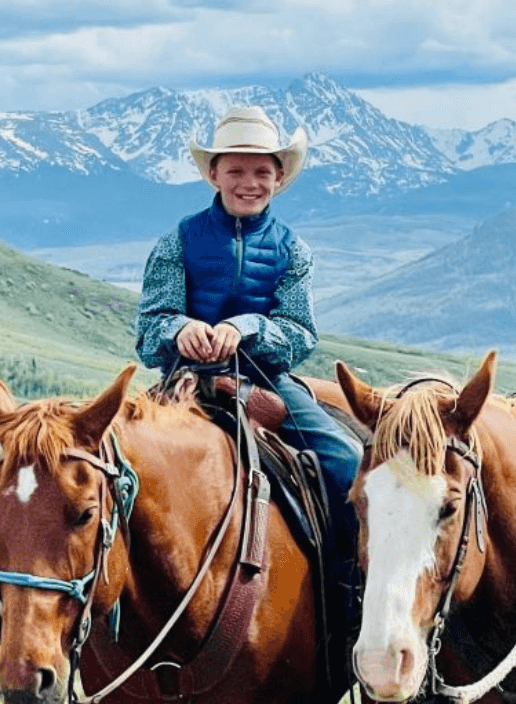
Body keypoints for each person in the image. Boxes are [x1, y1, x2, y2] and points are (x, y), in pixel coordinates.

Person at [134, 105, 362, 608]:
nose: (249, 182)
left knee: (349, 464)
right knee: (117, 471)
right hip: (185, 383)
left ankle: (349, 592)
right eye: (235, 170)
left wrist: (247, 328)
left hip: (266, 382)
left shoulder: (291, 250)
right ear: (213, 173)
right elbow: (149, 329)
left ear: (279, 178)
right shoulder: (177, 242)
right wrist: (181, 329)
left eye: (262, 171)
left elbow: (300, 333)